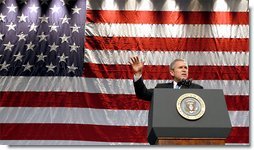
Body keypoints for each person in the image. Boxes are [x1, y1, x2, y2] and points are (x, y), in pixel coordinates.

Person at [129, 56, 203, 101]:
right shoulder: (161, 88)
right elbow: (142, 94)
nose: (184, 70)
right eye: (180, 68)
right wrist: (138, 74)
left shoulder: (197, 89)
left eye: (186, 68)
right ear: (172, 72)